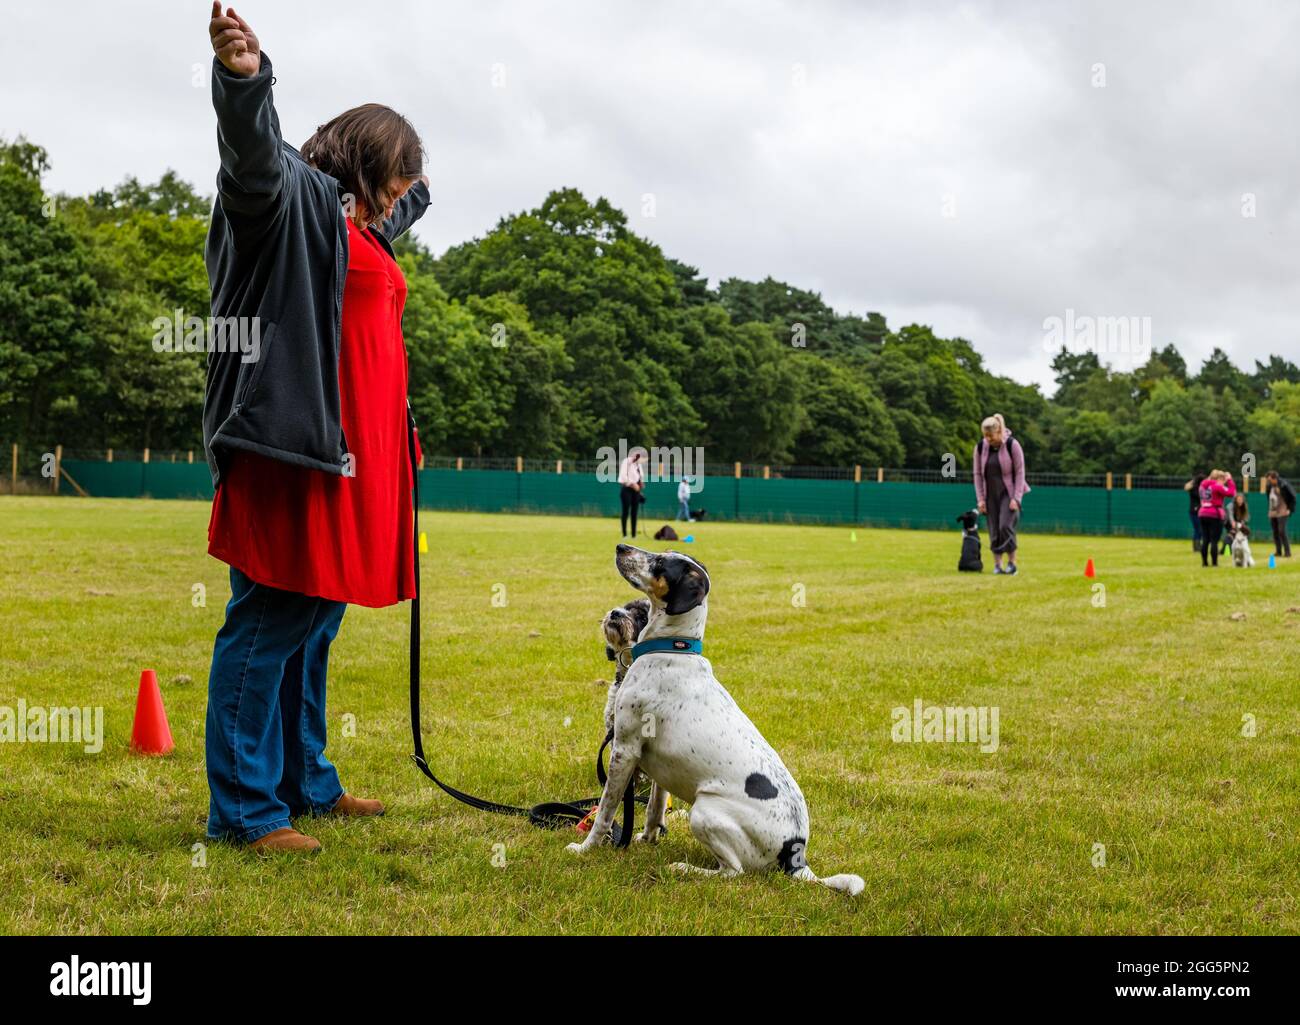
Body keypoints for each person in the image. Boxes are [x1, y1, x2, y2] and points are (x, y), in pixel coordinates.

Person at [201, 5, 431, 854]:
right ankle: (246, 812)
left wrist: (397, 173)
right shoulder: (288, 201)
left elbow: (401, 203)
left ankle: (306, 780)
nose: (405, 194)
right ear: (364, 168)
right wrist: (244, 79)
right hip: (291, 450)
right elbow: (253, 160)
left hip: (353, 461)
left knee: (315, 617)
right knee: (273, 617)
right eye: (396, 175)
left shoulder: (357, 226)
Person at [972, 413, 1029, 575]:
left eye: (991, 436)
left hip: (1008, 493)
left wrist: (1017, 498)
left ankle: (1012, 563)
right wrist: (980, 499)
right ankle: (997, 565)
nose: (988, 440)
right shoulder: (980, 447)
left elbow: (1020, 472)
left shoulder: (1012, 445)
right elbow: (977, 474)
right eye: (985, 436)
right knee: (994, 529)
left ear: (999, 432)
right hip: (990, 494)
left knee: (1005, 526)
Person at [1197, 470, 1236, 567]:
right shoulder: (1217, 486)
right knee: (1214, 540)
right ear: (1218, 479)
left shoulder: (1202, 485)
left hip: (1202, 513)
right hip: (1214, 514)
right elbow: (1231, 493)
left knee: (1205, 539)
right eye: (1223, 480)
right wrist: (1230, 480)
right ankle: (1214, 563)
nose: (1224, 482)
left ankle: (1204, 563)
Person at [1265, 471, 1295, 557]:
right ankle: (1278, 551)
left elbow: (1293, 496)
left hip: (1283, 509)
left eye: (1269, 480)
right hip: (1273, 510)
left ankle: (1287, 552)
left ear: (1274, 478)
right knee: (1275, 531)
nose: (1268, 481)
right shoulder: (1269, 486)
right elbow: (1269, 497)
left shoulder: (1284, 484)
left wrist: (1290, 509)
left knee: (1282, 531)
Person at [618, 451, 645, 537]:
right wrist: (633, 484)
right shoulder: (626, 462)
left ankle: (633, 535)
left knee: (634, 512)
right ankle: (624, 534)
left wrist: (641, 483)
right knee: (625, 512)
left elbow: (640, 476)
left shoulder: (639, 465)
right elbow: (623, 476)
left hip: (636, 491)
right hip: (627, 489)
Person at [1183, 473, 1205, 552]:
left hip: (1194, 512)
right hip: (1196, 512)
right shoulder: (1198, 489)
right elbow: (1186, 487)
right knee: (1198, 529)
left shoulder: (1194, 488)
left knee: (1198, 529)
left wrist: (1193, 481)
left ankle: (1197, 546)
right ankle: (1197, 547)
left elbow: (1186, 487)